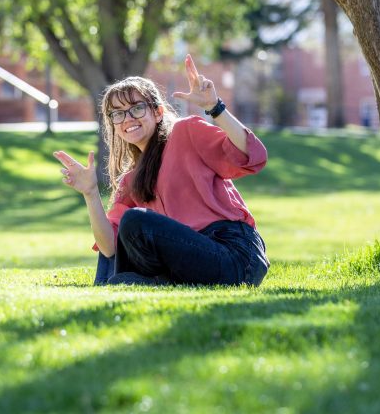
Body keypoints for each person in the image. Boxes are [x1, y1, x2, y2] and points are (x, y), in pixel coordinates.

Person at [53, 54, 269, 286]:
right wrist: (91, 193)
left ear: (157, 112)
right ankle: (120, 285)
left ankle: (122, 283)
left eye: (136, 108)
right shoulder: (132, 180)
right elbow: (108, 248)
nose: (127, 118)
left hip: (233, 254)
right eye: (117, 113)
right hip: (187, 261)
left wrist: (216, 108)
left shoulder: (185, 132)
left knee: (134, 221)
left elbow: (253, 156)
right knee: (124, 233)